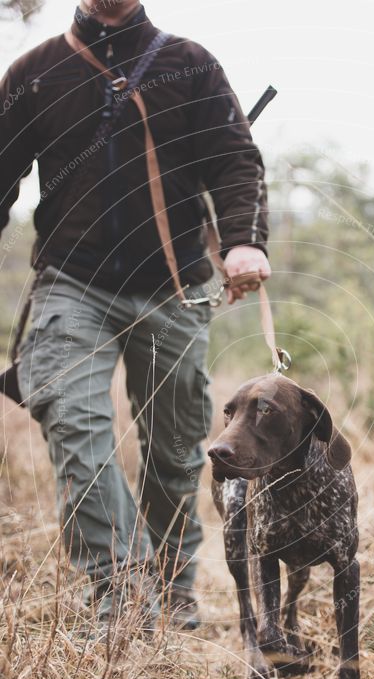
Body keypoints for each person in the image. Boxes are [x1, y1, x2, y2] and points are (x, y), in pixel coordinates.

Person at [0, 0, 270, 630]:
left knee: (175, 453)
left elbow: (236, 159)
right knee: (77, 432)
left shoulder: (193, 64)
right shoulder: (33, 74)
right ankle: (123, 599)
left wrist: (243, 240)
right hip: (72, 283)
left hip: (174, 284)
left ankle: (173, 586)